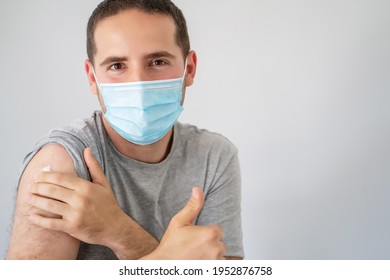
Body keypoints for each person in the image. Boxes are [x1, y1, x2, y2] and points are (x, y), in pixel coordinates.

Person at [6, 0, 243, 260]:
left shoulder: (214, 156)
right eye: (117, 66)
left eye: (157, 62)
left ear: (190, 68)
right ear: (92, 77)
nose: (138, 83)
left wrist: (119, 230)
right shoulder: (61, 161)